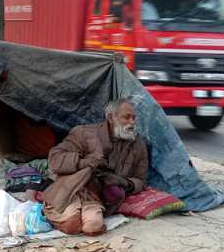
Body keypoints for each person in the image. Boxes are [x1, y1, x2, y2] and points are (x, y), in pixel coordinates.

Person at [41, 97, 148, 236]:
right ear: (111, 117)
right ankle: (49, 211)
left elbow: (142, 180)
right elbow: (54, 159)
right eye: (127, 117)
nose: (132, 122)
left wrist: (124, 183)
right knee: (72, 225)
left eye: (134, 118)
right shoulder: (83, 134)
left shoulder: (138, 145)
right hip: (72, 190)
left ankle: (82, 215)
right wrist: (84, 162)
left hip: (98, 198)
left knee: (93, 228)